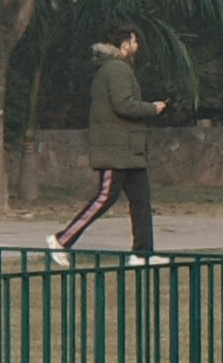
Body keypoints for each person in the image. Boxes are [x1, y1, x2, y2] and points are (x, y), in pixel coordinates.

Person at [53, 27, 163, 260]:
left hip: (129, 151)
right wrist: (152, 108)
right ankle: (61, 241)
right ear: (125, 44)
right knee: (105, 197)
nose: (137, 46)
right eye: (134, 41)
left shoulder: (118, 68)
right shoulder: (116, 69)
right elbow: (123, 105)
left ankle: (142, 254)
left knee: (141, 201)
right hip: (116, 149)